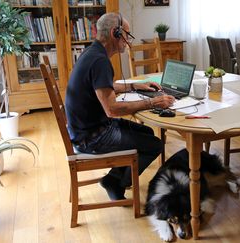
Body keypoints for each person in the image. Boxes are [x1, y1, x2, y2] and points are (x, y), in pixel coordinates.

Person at [65, 12, 175, 200]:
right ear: (115, 33)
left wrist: (134, 85)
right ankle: (116, 182)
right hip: (92, 138)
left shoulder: (93, 52)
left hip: (85, 130)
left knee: (148, 133)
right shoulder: (100, 61)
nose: (127, 40)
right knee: (155, 145)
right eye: (126, 34)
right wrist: (153, 101)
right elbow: (112, 109)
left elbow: (104, 87)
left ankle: (114, 179)